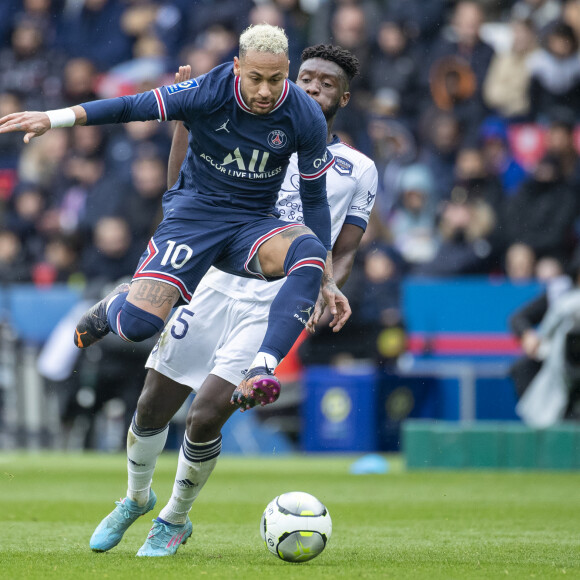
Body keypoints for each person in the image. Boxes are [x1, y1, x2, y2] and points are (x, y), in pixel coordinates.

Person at [89, 45, 376, 557]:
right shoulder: (250, 125)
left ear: (343, 97)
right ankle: (135, 499)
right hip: (216, 282)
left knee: (206, 414)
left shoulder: (358, 169)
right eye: (305, 78)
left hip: (274, 302)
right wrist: (185, 115)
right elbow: (184, 188)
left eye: (326, 84)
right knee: (154, 402)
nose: (313, 88)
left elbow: (344, 249)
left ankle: (174, 518)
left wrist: (326, 286)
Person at [0, 24, 350, 411]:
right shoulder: (209, 91)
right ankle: (114, 305)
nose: (266, 90)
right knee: (138, 328)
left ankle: (260, 369)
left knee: (311, 254)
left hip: (251, 226)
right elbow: (131, 106)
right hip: (194, 219)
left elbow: (314, 199)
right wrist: (55, 118)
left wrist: (328, 278)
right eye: (255, 78)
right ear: (237, 67)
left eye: (276, 79)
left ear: (287, 69)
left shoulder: (304, 115)